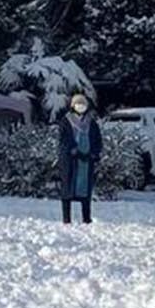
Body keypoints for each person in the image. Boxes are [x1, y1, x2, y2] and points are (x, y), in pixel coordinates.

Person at [56, 91, 102, 225]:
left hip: (87, 160)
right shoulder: (66, 121)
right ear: (72, 105)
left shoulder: (91, 122)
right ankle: (66, 218)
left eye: (83, 104)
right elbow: (63, 140)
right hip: (70, 161)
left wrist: (94, 153)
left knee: (85, 190)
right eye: (78, 103)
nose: (80, 106)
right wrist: (73, 150)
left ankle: (86, 218)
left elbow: (97, 140)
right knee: (67, 189)